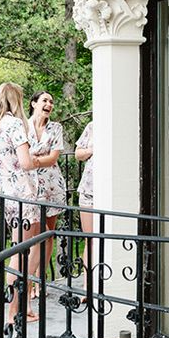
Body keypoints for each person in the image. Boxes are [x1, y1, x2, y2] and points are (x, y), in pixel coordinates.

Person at [0, 82, 53, 324]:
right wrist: (38, 160)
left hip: (6, 196)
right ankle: (14, 312)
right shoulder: (14, 124)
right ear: (15, 100)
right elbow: (27, 163)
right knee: (23, 252)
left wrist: (4, 166)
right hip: (24, 195)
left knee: (20, 249)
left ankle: (22, 306)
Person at [27, 90, 66, 296]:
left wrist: (34, 160)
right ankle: (30, 283)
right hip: (31, 187)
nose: (49, 104)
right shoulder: (23, 126)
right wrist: (36, 159)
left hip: (52, 186)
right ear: (34, 103)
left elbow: (53, 158)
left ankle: (41, 281)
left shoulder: (56, 128)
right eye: (45, 100)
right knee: (34, 235)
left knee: (48, 234)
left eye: (51, 101)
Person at [75, 119, 95, 298]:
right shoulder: (92, 126)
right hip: (89, 190)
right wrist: (92, 150)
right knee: (90, 240)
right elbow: (78, 153)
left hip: (110, 194)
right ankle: (87, 287)